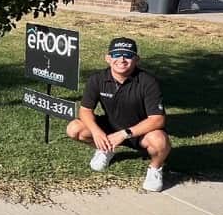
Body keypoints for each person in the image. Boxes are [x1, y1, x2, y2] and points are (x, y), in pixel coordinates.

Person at [66, 37, 171, 191]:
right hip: (110, 127)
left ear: (136, 59)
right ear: (108, 58)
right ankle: (105, 150)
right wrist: (97, 132)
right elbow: (85, 110)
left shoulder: (148, 82)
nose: (122, 60)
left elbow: (157, 120)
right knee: (74, 128)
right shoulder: (97, 79)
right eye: (117, 55)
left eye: (127, 55)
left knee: (160, 141)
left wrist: (124, 134)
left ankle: (155, 169)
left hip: (139, 133)